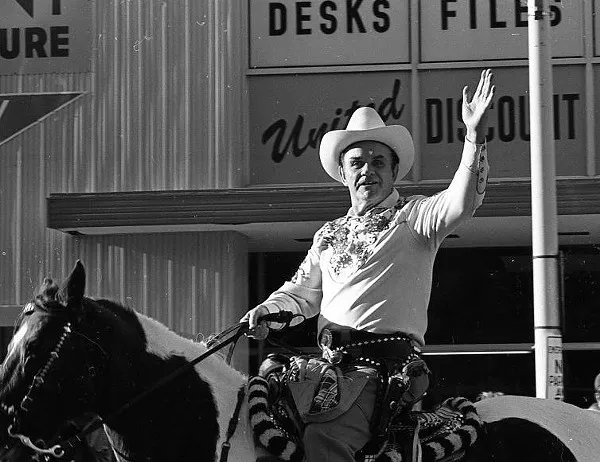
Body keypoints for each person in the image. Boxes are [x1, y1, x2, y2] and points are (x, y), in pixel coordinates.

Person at [242, 69, 495, 462]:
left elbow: (462, 203)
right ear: (343, 173)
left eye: (379, 162)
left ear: (394, 172)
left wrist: (473, 137)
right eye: (357, 162)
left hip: (380, 375)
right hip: (325, 373)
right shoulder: (328, 233)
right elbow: (301, 294)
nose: (367, 171)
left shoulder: (414, 219)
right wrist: (265, 311)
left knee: (326, 442)